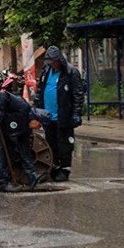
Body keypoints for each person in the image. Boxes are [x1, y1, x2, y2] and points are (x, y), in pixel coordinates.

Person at [0, 89, 46, 193]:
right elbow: (3, 95)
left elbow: (25, 151)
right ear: (37, 119)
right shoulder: (23, 107)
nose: (38, 128)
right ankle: (2, 184)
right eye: (39, 125)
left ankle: (3, 180)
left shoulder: (26, 129)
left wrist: (31, 174)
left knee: (10, 149)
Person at [34, 45, 85, 182]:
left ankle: (64, 169)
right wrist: (37, 108)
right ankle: (53, 166)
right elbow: (40, 90)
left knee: (64, 144)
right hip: (48, 116)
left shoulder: (71, 72)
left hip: (63, 115)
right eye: (49, 62)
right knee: (51, 143)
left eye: (54, 62)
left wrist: (76, 113)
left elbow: (78, 94)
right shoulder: (47, 71)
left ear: (59, 60)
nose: (52, 65)